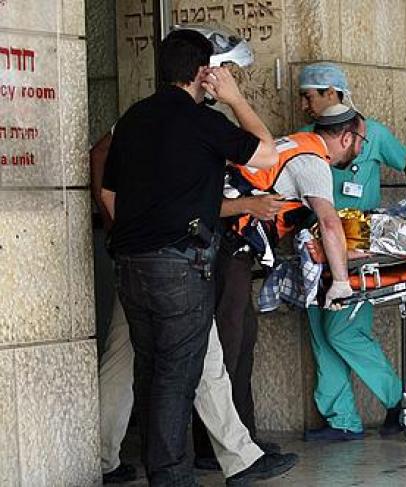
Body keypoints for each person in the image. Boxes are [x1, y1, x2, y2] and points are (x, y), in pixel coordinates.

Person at [100, 29, 278, 485]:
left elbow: (110, 193)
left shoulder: (133, 118)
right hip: (179, 267)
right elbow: (266, 154)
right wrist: (235, 99)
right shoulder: (202, 121)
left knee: (152, 370)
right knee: (176, 376)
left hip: (131, 265)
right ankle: (171, 476)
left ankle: (232, 459)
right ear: (204, 73)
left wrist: (145, 231)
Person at [91, 134, 297, 484]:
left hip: (136, 259)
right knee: (204, 360)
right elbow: (196, 202)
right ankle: (238, 458)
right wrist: (248, 205)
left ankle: (100, 456)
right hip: (173, 266)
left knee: (122, 361)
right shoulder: (185, 126)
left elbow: (103, 161)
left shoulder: (146, 127)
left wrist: (114, 222)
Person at [297, 62, 406, 441]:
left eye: (309, 96)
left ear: (332, 93)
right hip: (315, 246)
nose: (304, 104)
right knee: (321, 334)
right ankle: (342, 419)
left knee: (344, 330)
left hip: (357, 244)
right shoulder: (306, 140)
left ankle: (400, 397)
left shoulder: (371, 134)